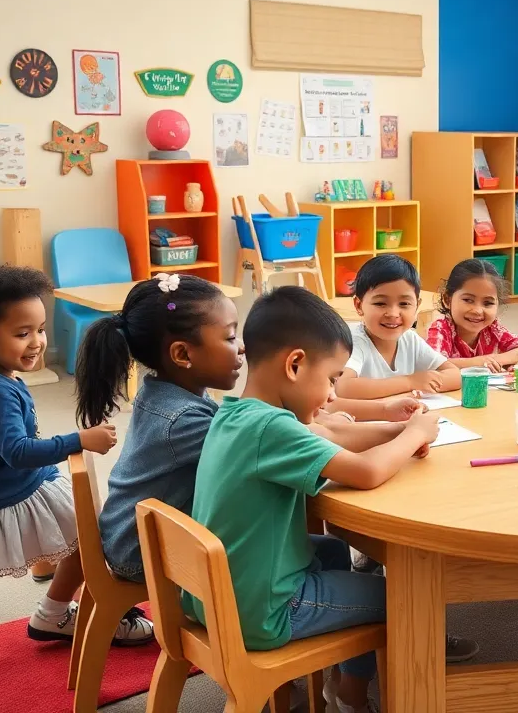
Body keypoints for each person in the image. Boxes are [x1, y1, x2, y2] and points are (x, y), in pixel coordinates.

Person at [186, 287, 441, 713]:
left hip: (216, 594)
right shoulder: (273, 428)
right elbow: (366, 473)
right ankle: (354, 696)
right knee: (405, 599)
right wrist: (415, 434)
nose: (331, 395)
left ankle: (339, 685)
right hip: (265, 610)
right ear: (295, 363)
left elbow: (329, 433)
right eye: (332, 379)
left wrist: (398, 431)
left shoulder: (237, 413)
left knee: (335, 549)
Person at [0, 253, 151, 644]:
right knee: (93, 539)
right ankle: (53, 613)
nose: (38, 342)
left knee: (71, 503)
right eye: (22, 333)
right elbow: (19, 452)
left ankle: (44, 570)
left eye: (40, 329)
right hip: (3, 492)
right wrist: (79, 440)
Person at [74, 274, 243, 583]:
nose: (242, 348)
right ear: (182, 354)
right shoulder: (182, 420)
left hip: (130, 535)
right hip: (140, 552)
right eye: (231, 338)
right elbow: (253, 448)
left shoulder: (163, 391)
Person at [334, 255, 462, 398]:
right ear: (359, 305)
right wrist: (410, 382)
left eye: (404, 304)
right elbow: (344, 388)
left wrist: (421, 383)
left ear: (416, 306)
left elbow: (455, 375)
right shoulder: (354, 342)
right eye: (380, 303)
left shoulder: (410, 340)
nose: (393, 314)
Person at [427, 258, 518, 371]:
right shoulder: (442, 329)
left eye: (488, 303)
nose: (478, 310)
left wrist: (495, 360)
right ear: (447, 300)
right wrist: (479, 362)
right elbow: (433, 364)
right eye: (468, 300)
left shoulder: (492, 329)